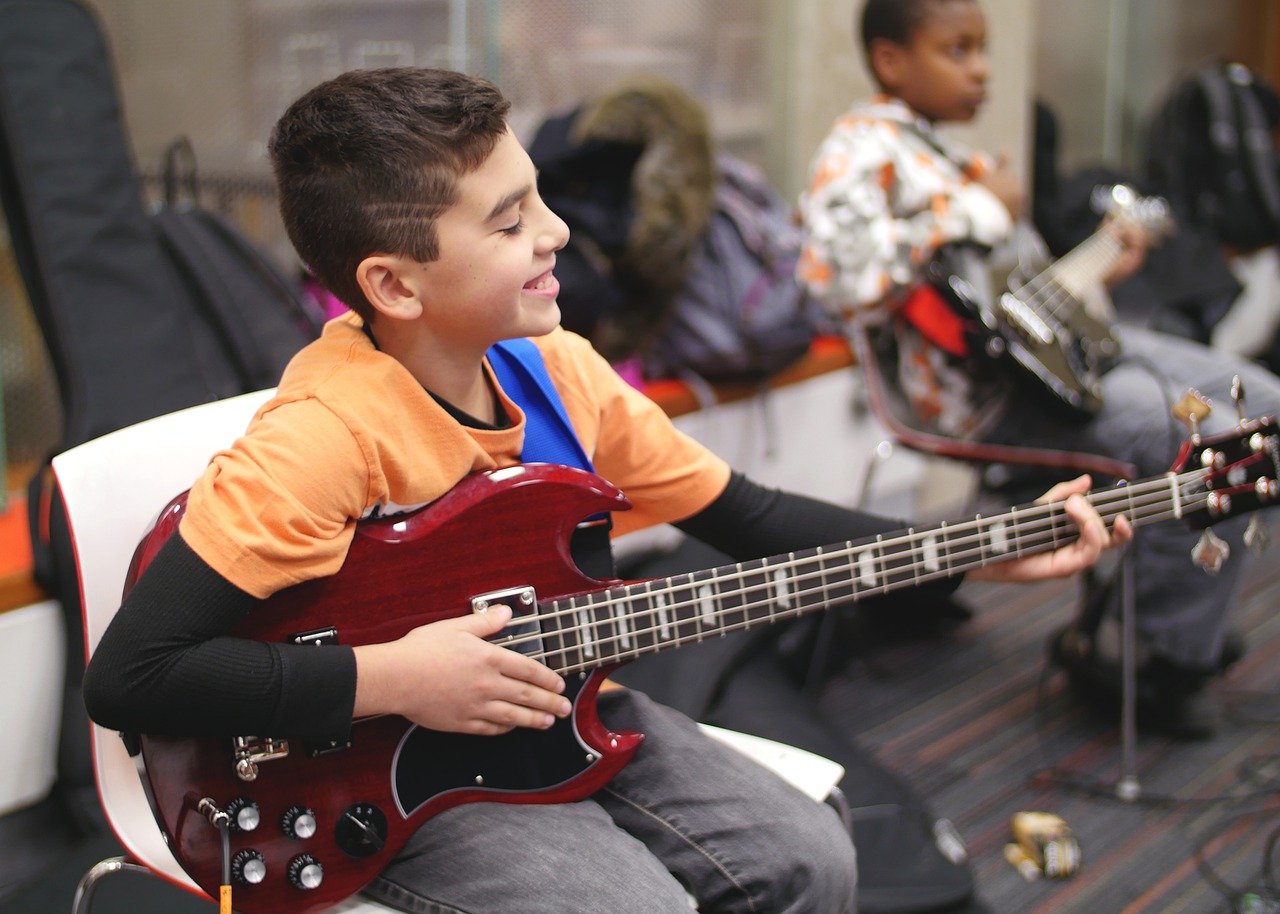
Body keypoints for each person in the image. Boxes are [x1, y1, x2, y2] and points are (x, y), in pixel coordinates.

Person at [81, 67, 1122, 913]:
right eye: (508, 222)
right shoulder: (323, 438)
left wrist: (980, 545)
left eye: (535, 196)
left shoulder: (556, 371)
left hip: (549, 708)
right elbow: (132, 679)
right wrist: (394, 676)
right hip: (370, 767)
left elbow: (743, 514)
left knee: (815, 855)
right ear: (394, 286)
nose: (559, 233)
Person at [798, 0, 1280, 741]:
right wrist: (968, 211)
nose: (981, 68)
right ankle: (1159, 657)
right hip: (986, 399)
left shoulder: (940, 152)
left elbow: (1007, 308)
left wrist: (1099, 268)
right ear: (892, 60)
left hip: (1053, 361)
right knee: (1211, 438)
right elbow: (833, 276)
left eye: (981, 50)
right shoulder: (861, 150)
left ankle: (1160, 617)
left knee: (1263, 402)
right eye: (957, 51)